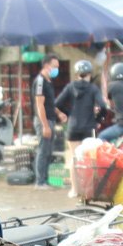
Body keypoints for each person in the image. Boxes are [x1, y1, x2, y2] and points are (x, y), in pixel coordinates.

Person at [32, 54, 62, 185]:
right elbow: (39, 104)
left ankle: (45, 179)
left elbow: (50, 103)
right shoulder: (40, 81)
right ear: (46, 66)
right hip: (43, 121)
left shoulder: (49, 81)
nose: (56, 70)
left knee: (49, 151)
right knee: (43, 151)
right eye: (55, 67)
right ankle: (40, 181)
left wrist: (59, 113)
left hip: (50, 119)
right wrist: (45, 125)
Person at [57, 59, 104, 143]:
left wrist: (69, 113)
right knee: (89, 155)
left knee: (74, 155)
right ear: (89, 74)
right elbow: (103, 106)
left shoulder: (70, 87)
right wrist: (98, 120)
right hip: (89, 127)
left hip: (73, 126)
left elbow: (57, 103)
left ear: (77, 74)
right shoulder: (93, 88)